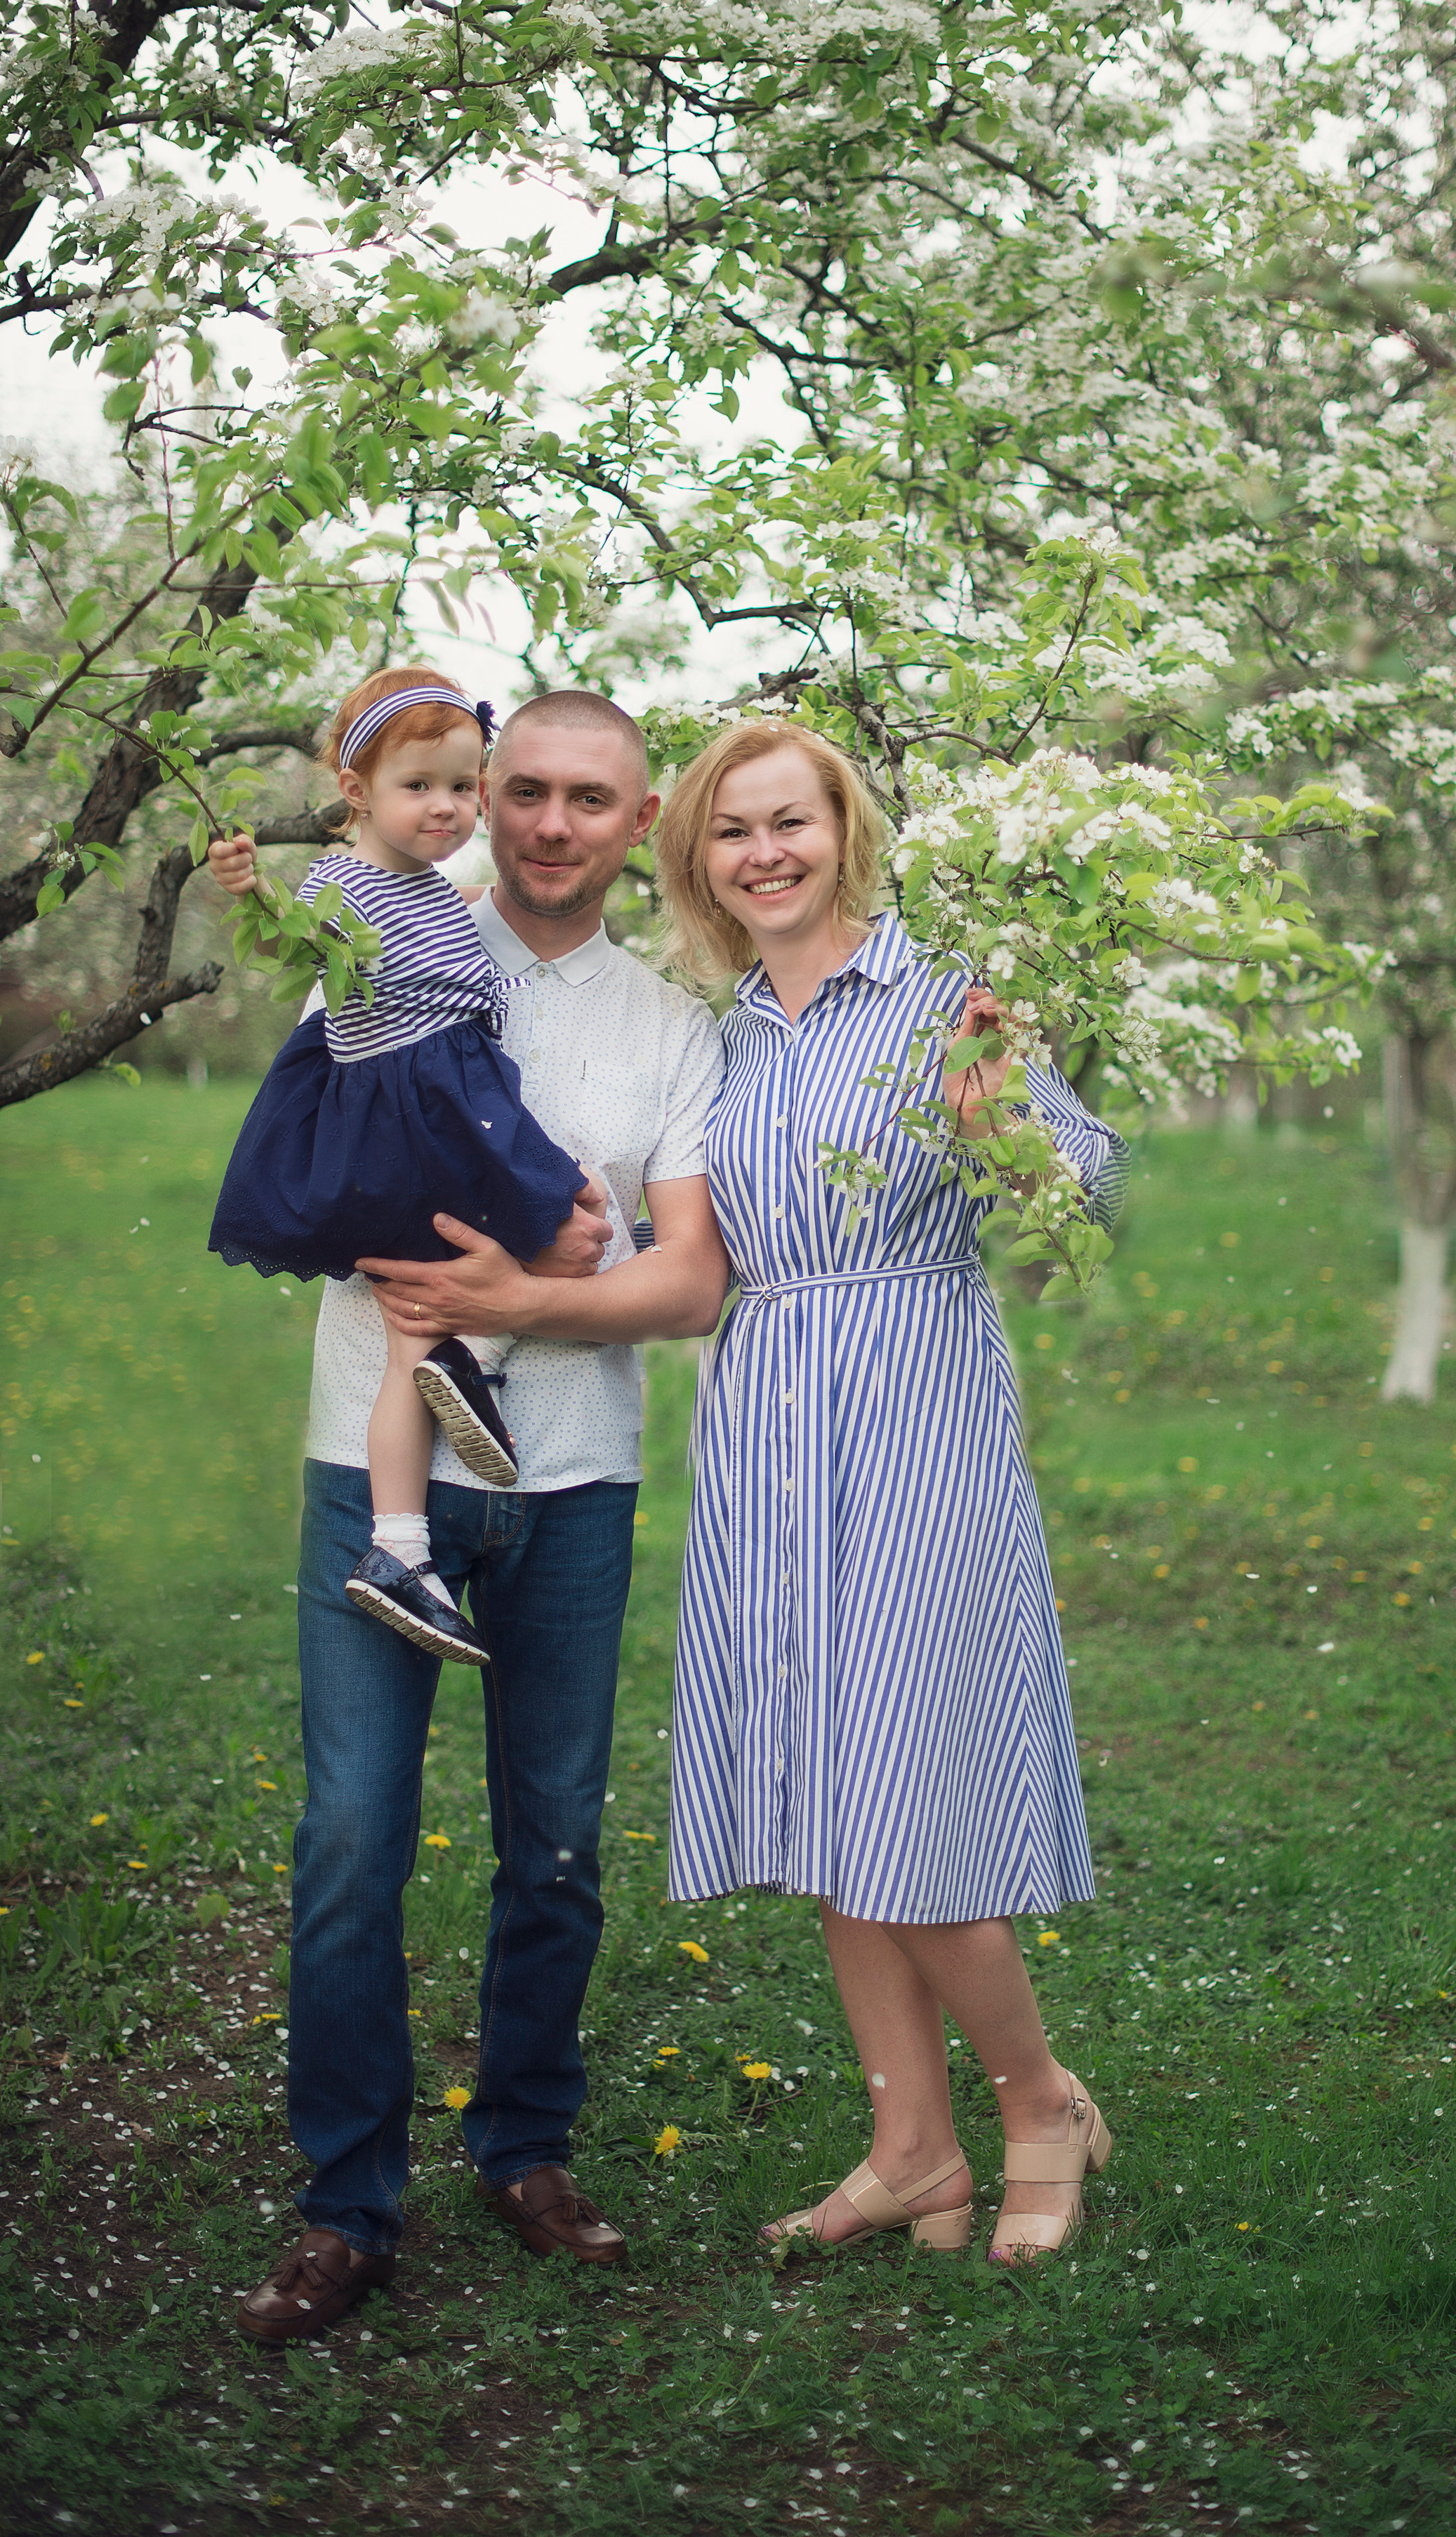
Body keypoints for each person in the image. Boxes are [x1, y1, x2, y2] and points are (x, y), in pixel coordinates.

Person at [228, 689, 729, 2348]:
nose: (548, 824)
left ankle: (523, 2148)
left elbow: (687, 1276)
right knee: (353, 1842)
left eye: (591, 799)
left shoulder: (671, 1029)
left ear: (637, 817)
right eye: (522, 791)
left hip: (570, 1487)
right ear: (478, 797)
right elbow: (326, 1162)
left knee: (557, 1847)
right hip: (368, 1472)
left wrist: (523, 1289)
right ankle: (344, 2202)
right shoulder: (383, 940)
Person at [656, 719, 1127, 2265]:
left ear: (842, 829)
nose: (763, 854)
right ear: (699, 859)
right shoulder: (715, 1031)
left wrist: (1004, 1123)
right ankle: (911, 2150)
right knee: (815, 1796)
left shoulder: (943, 994)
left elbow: (1092, 1189)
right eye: (732, 833)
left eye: (787, 822)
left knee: (905, 1792)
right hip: (767, 1411)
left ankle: (1039, 2099)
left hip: (914, 1398)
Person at [209, 666, 600, 1663]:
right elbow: (290, 942)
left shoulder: (426, 886)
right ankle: (472, 1365)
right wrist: (252, 892)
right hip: (419, 1113)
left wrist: (464, 892)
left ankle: (399, 1545)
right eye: (421, 785)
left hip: (444, 1100)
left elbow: (427, 927)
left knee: (415, 1337)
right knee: (568, 1217)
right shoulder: (338, 885)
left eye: (464, 787)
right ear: (356, 792)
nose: (449, 807)